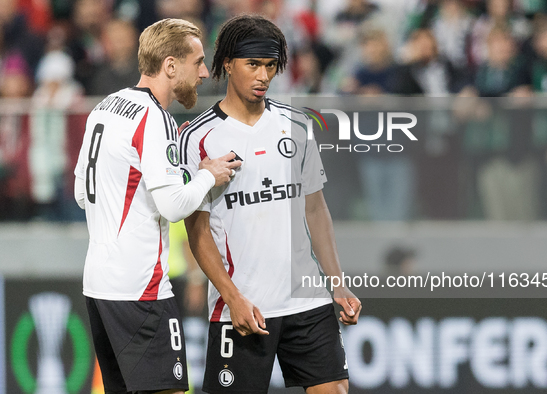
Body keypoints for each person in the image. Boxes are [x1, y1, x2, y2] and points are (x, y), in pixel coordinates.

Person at [180, 14, 362, 393]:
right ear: (227, 64)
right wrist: (232, 298)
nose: (263, 75)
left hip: (306, 301)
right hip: (243, 307)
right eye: (253, 64)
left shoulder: (297, 126)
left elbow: (315, 209)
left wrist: (338, 284)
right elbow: (197, 232)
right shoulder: (197, 138)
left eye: (270, 65)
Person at [73, 18, 241, 394]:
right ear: (170, 65)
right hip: (140, 290)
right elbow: (173, 207)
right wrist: (207, 175)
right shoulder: (155, 118)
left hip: (99, 285)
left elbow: (81, 192)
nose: (203, 73)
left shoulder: (104, 107)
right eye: (197, 62)